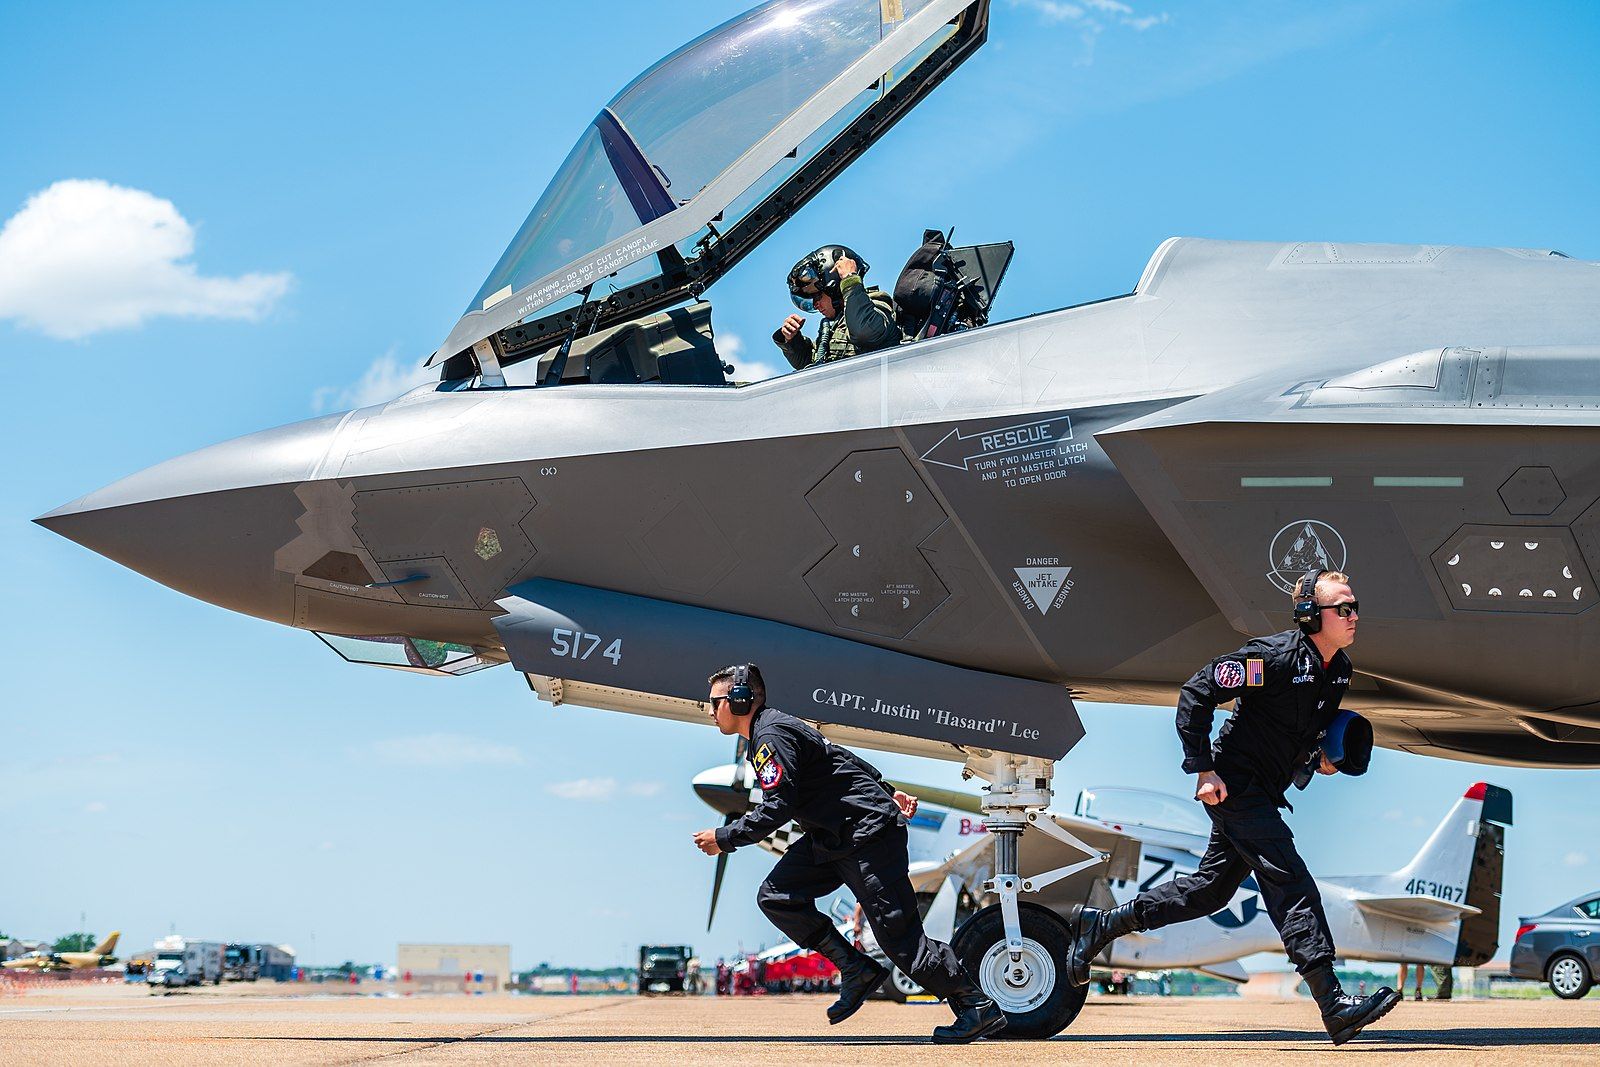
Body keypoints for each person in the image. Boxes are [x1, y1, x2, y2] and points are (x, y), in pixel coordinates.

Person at [1064, 569, 1403, 1046]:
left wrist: (1318, 758)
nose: (1353, 616)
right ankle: (1333, 1004)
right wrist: (1204, 770)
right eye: (1342, 608)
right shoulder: (1273, 658)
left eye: (1354, 607)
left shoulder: (1339, 670)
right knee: (1290, 880)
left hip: (1266, 791)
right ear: (1310, 616)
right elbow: (1197, 693)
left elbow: (1300, 730)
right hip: (1234, 787)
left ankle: (1103, 923)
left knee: (1210, 892)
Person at [692, 663, 1005, 1044]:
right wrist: (887, 790)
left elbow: (779, 805)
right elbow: (843, 758)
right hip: (833, 836)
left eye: (714, 702)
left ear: (740, 701)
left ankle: (977, 1007)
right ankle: (855, 967)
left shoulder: (770, 736)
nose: (708, 710)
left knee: (900, 940)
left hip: (867, 836)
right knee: (777, 896)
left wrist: (724, 837)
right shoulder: (777, 729)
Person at [773, 245, 901, 369]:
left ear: (835, 288)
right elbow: (813, 363)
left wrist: (849, 280)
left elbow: (864, 332)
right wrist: (792, 340)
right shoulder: (831, 327)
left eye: (817, 296)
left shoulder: (875, 305)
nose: (816, 305)